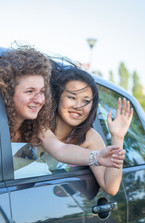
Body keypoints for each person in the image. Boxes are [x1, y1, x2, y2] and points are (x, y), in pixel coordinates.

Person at [0, 45, 125, 178]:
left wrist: (96, 156)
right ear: (8, 91)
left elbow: (60, 149)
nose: (38, 100)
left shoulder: (37, 127)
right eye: (30, 91)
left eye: (42, 92)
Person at [50, 63, 133, 195]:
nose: (78, 106)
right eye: (72, 97)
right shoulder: (40, 126)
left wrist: (117, 137)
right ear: (57, 97)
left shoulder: (89, 137)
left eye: (86, 101)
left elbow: (110, 187)